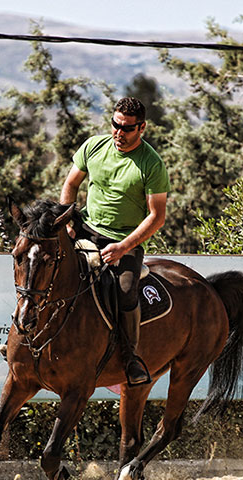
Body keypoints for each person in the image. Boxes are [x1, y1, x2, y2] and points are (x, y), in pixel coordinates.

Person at [60, 97, 170, 386]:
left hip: (124, 242)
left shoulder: (152, 164)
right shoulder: (94, 146)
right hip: (84, 229)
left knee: (125, 290)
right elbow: (71, 184)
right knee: (45, 265)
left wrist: (124, 247)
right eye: (115, 125)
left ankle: (130, 357)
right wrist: (69, 222)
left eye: (127, 129)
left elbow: (157, 216)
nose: (118, 133)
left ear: (142, 128)